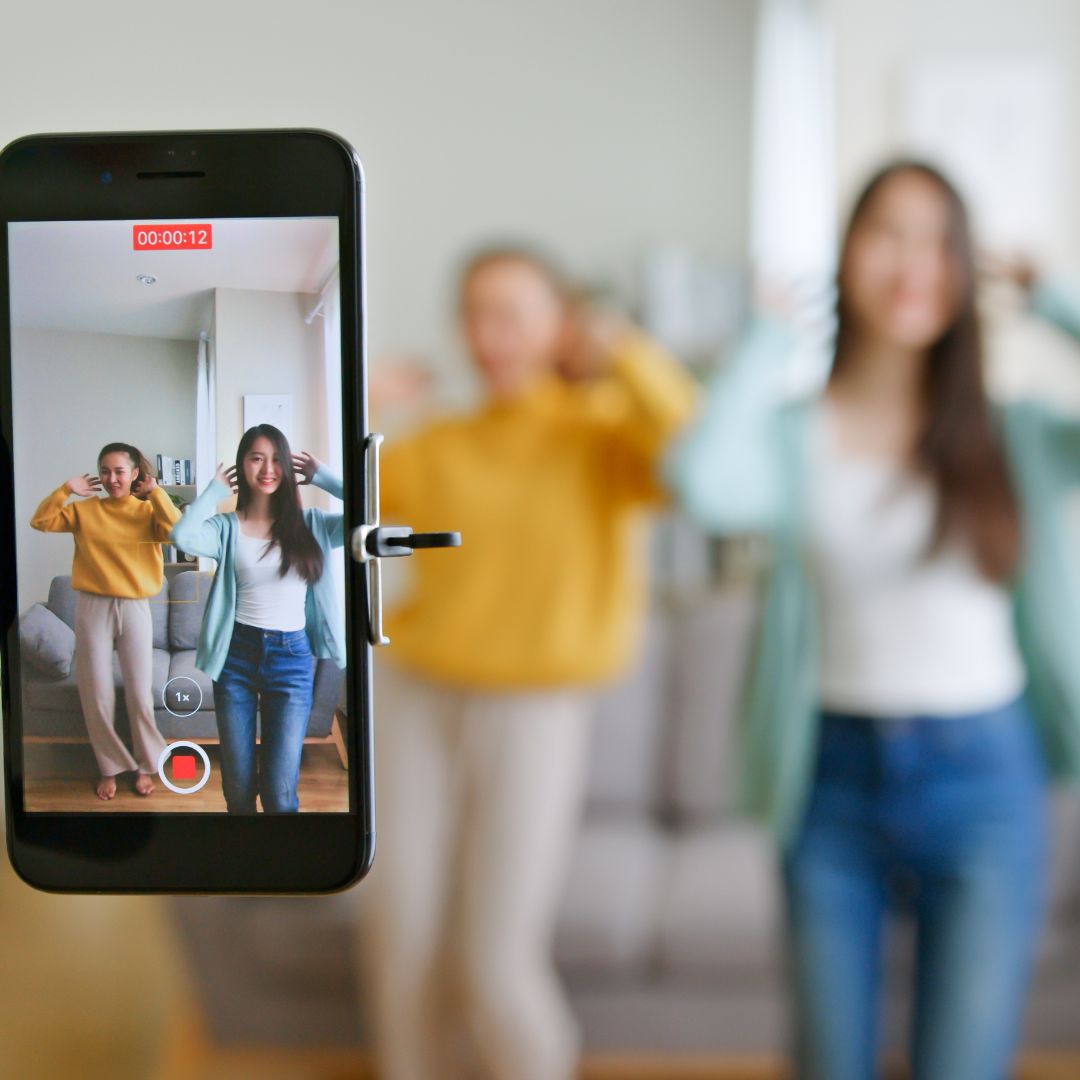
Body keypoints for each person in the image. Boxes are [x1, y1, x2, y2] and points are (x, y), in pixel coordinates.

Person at [666, 160, 1080, 1080]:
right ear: (847, 253)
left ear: (967, 268)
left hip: (986, 776)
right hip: (830, 780)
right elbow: (699, 481)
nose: (912, 262)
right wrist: (766, 342)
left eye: (940, 240)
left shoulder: (1013, 434)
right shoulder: (791, 428)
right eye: (887, 232)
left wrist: (1051, 299)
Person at [361, 246, 697, 1080]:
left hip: (538, 712)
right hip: (415, 698)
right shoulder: (438, 443)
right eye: (475, 312)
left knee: (495, 959)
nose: (489, 333)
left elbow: (698, 452)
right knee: (400, 935)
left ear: (560, 324)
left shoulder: (605, 435)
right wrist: (355, 400)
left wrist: (620, 349)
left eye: (511, 311)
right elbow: (309, 498)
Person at [170, 424, 345, 813]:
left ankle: (281, 867)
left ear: (287, 467)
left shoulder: (313, 525)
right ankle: (244, 864)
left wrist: (326, 477)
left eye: (275, 459)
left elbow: (370, 512)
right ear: (241, 466)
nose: (267, 468)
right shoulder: (224, 528)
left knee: (280, 794)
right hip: (236, 658)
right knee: (238, 788)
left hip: (293, 659)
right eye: (256, 458)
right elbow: (181, 536)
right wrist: (213, 493)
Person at [31, 442, 180, 800]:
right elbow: (41, 521)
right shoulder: (85, 512)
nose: (112, 479)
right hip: (93, 606)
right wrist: (66, 490)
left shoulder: (147, 512)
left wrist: (157, 493)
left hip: (135, 607)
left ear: (134, 475)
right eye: (105, 471)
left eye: (119, 471)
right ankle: (109, 766)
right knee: (95, 692)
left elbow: (179, 532)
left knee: (139, 692)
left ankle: (147, 765)